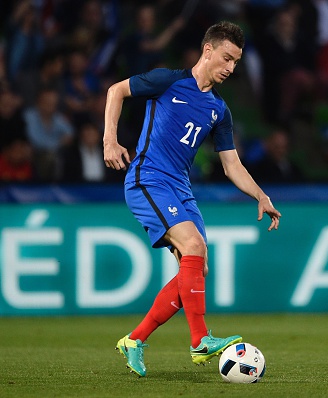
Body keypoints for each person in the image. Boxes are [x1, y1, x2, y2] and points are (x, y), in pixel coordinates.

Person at [103, 21, 281, 378]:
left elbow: (232, 166)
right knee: (194, 245)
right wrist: (110, 139)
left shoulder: (219, 110)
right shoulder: (168, 80)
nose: (231, 68)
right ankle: (200, 341)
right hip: (147, 177)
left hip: (180, 188)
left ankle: (134, 341)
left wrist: (261, 195)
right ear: (208, 50)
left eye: (236, 62)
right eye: (227, 58)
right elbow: (115, 91)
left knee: (196, 268)